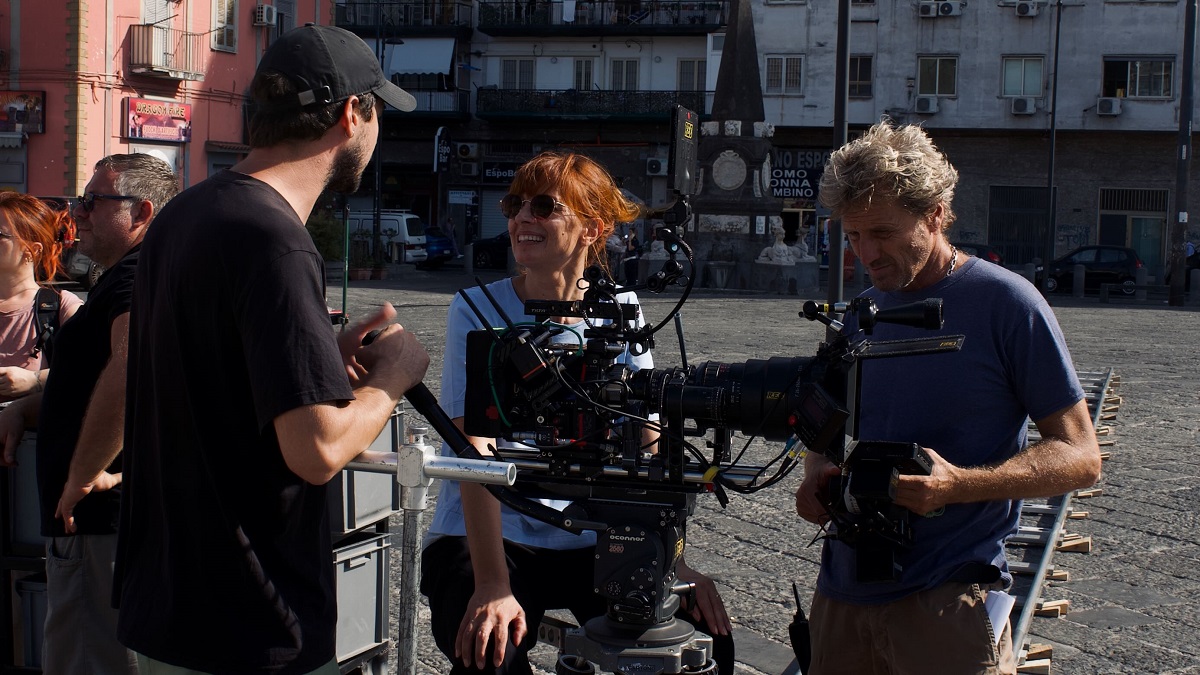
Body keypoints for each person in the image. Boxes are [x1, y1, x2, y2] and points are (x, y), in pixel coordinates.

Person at [112, 24, 430, 674]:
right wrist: (390, 379)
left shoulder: (188, 213)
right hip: (247, 627)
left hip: (168, 610)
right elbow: (315, 451)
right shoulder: (275, 241)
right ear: (351, 114)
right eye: (377, 113)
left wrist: (312, 359)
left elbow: (208, 370)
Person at [794, 121, 1102, 675]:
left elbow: (1080, 457)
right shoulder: (861, 314)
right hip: (843, 594)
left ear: (935, 213)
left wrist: (961, 486)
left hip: (950, 601)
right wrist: (816, 474)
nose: (866, 253)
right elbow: (827, 430)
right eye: (854, 235)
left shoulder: (1007, 305)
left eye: (882, 233)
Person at [420, 151, 735, 675]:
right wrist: (493, 583)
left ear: (594, 228)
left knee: (692, 640)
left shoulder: (623, 309)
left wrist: (672, 565)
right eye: (515, 204)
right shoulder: (474, 309)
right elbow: (472, 447)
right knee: (488, 656)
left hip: (593, 530)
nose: (522, 218)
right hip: (494, 534)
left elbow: (647, 440)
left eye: (544, 206)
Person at [0, 155, 178, 674]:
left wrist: (82, 474)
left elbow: (131, 370)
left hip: (98, 519)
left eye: (93, 201)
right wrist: (29, 407)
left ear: (141, 211)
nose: (77, 212)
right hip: (102, 518)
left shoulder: (133, 278)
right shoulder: (133, 276)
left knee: (86, 656)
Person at [0, 193, 82, 403]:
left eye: (0, 234)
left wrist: (35, 380)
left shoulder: (61, 306)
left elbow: (92, 367)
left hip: (30, 434)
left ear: (32, 251)